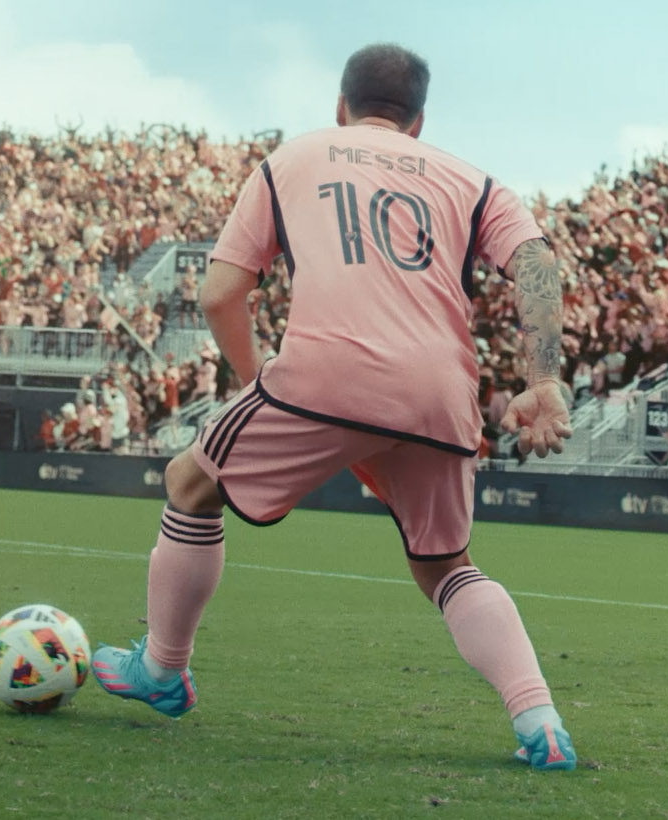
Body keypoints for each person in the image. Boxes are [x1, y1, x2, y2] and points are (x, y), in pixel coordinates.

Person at [88, 43, 580, 770]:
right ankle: (540, 722)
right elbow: (538, 264)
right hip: (442, 390)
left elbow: (221, 293)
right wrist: (545, 378)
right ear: (417, 123)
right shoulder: (472, 180)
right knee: (446, 566)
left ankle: (162, 670)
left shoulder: (295, 157)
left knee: (189, 485)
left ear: (340, 107)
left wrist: (258, 384)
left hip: (327, 372)